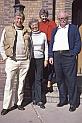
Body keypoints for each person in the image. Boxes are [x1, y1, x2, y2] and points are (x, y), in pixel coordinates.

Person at [0, 4, 31, 115]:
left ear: (23, 20)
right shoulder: (7, 29)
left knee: (21, 83)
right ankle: (6, 106)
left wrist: (29, 60)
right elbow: (1, 44)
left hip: (24, 61)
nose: (19, 20)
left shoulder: (27, 31)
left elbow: (30, 47)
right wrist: (5, 57)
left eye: (21, 18)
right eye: (17, 18)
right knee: (9, 83)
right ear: (14, 19)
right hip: (12, 60)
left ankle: (18, 103)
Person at [49, 11, 81, 112]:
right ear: (58, 19)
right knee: (60, 79)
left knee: (71, 80)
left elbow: (78, 42)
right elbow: (52, 43)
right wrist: (51, 55)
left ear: (68, 19)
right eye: (61, 19)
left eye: (64, 18)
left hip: (68, 56)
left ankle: (73, 103)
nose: (63, 20)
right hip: (57, 56)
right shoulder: (55, 30)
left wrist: (73, 53)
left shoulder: (73, 28)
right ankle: (63, 100)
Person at [29, 18, 48, 109]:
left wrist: (46, 59)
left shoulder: (43, 35)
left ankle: (39, 100)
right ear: (30, 26)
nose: (34, 26)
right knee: (32, 79)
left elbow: (46, 48)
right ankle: (33, 98)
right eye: (32, 25)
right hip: (31, 59)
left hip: (40, 59)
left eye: (36, 24)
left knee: (39, 79)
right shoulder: (28, 35)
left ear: (38, 25)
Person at [39, 8, 57, 91]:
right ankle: (44, 80)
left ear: (47, 16)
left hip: (50, 45)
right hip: (42, 46)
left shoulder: (52, 23)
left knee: (50, 65)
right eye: (42, 16)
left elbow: (56, 35)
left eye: (45, 16)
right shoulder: (39, 24)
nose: (44, 18)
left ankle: (49, 81)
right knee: (43, 64)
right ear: (40, 16)